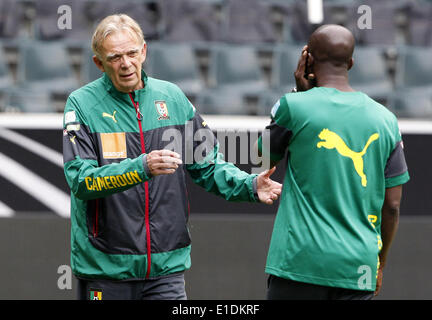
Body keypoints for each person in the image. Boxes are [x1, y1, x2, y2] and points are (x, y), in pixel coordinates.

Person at [62, 14, 282, 300]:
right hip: (105, 270)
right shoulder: (81, 105)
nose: (126, 63)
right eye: (115, 57)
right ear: (99, 63)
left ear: (144, 51)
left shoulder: (173, 98)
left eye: (131, 53)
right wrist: (142, 167)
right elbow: (81, 180)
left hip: (166, 272)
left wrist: (249, 186)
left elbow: (207, 165)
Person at [256, 24, 409, 300]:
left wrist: (298, 93)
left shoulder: (294, 106)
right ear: (351, 62)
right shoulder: (387, 120)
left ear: (307, 60)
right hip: (357, 268)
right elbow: (393, 206)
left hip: (298, 264)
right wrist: (380, 262)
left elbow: (262, 157)